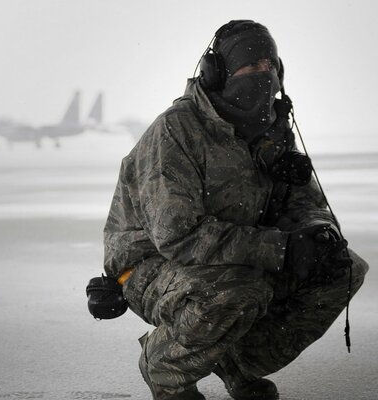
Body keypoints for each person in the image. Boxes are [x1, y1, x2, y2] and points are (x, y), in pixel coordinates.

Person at [101, 20, 369, 400]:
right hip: (147, 265)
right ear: (218, 73)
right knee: (240, 290)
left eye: (270, 65)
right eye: (250, 65)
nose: (264, 74)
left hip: (236, 252)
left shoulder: (272, 128)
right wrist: (281, 249)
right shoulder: (176, 132)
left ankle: (238, 363)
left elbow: (307, 203)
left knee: (343, 270)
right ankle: (166, 367)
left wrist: (316, 233)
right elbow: (179, 236)